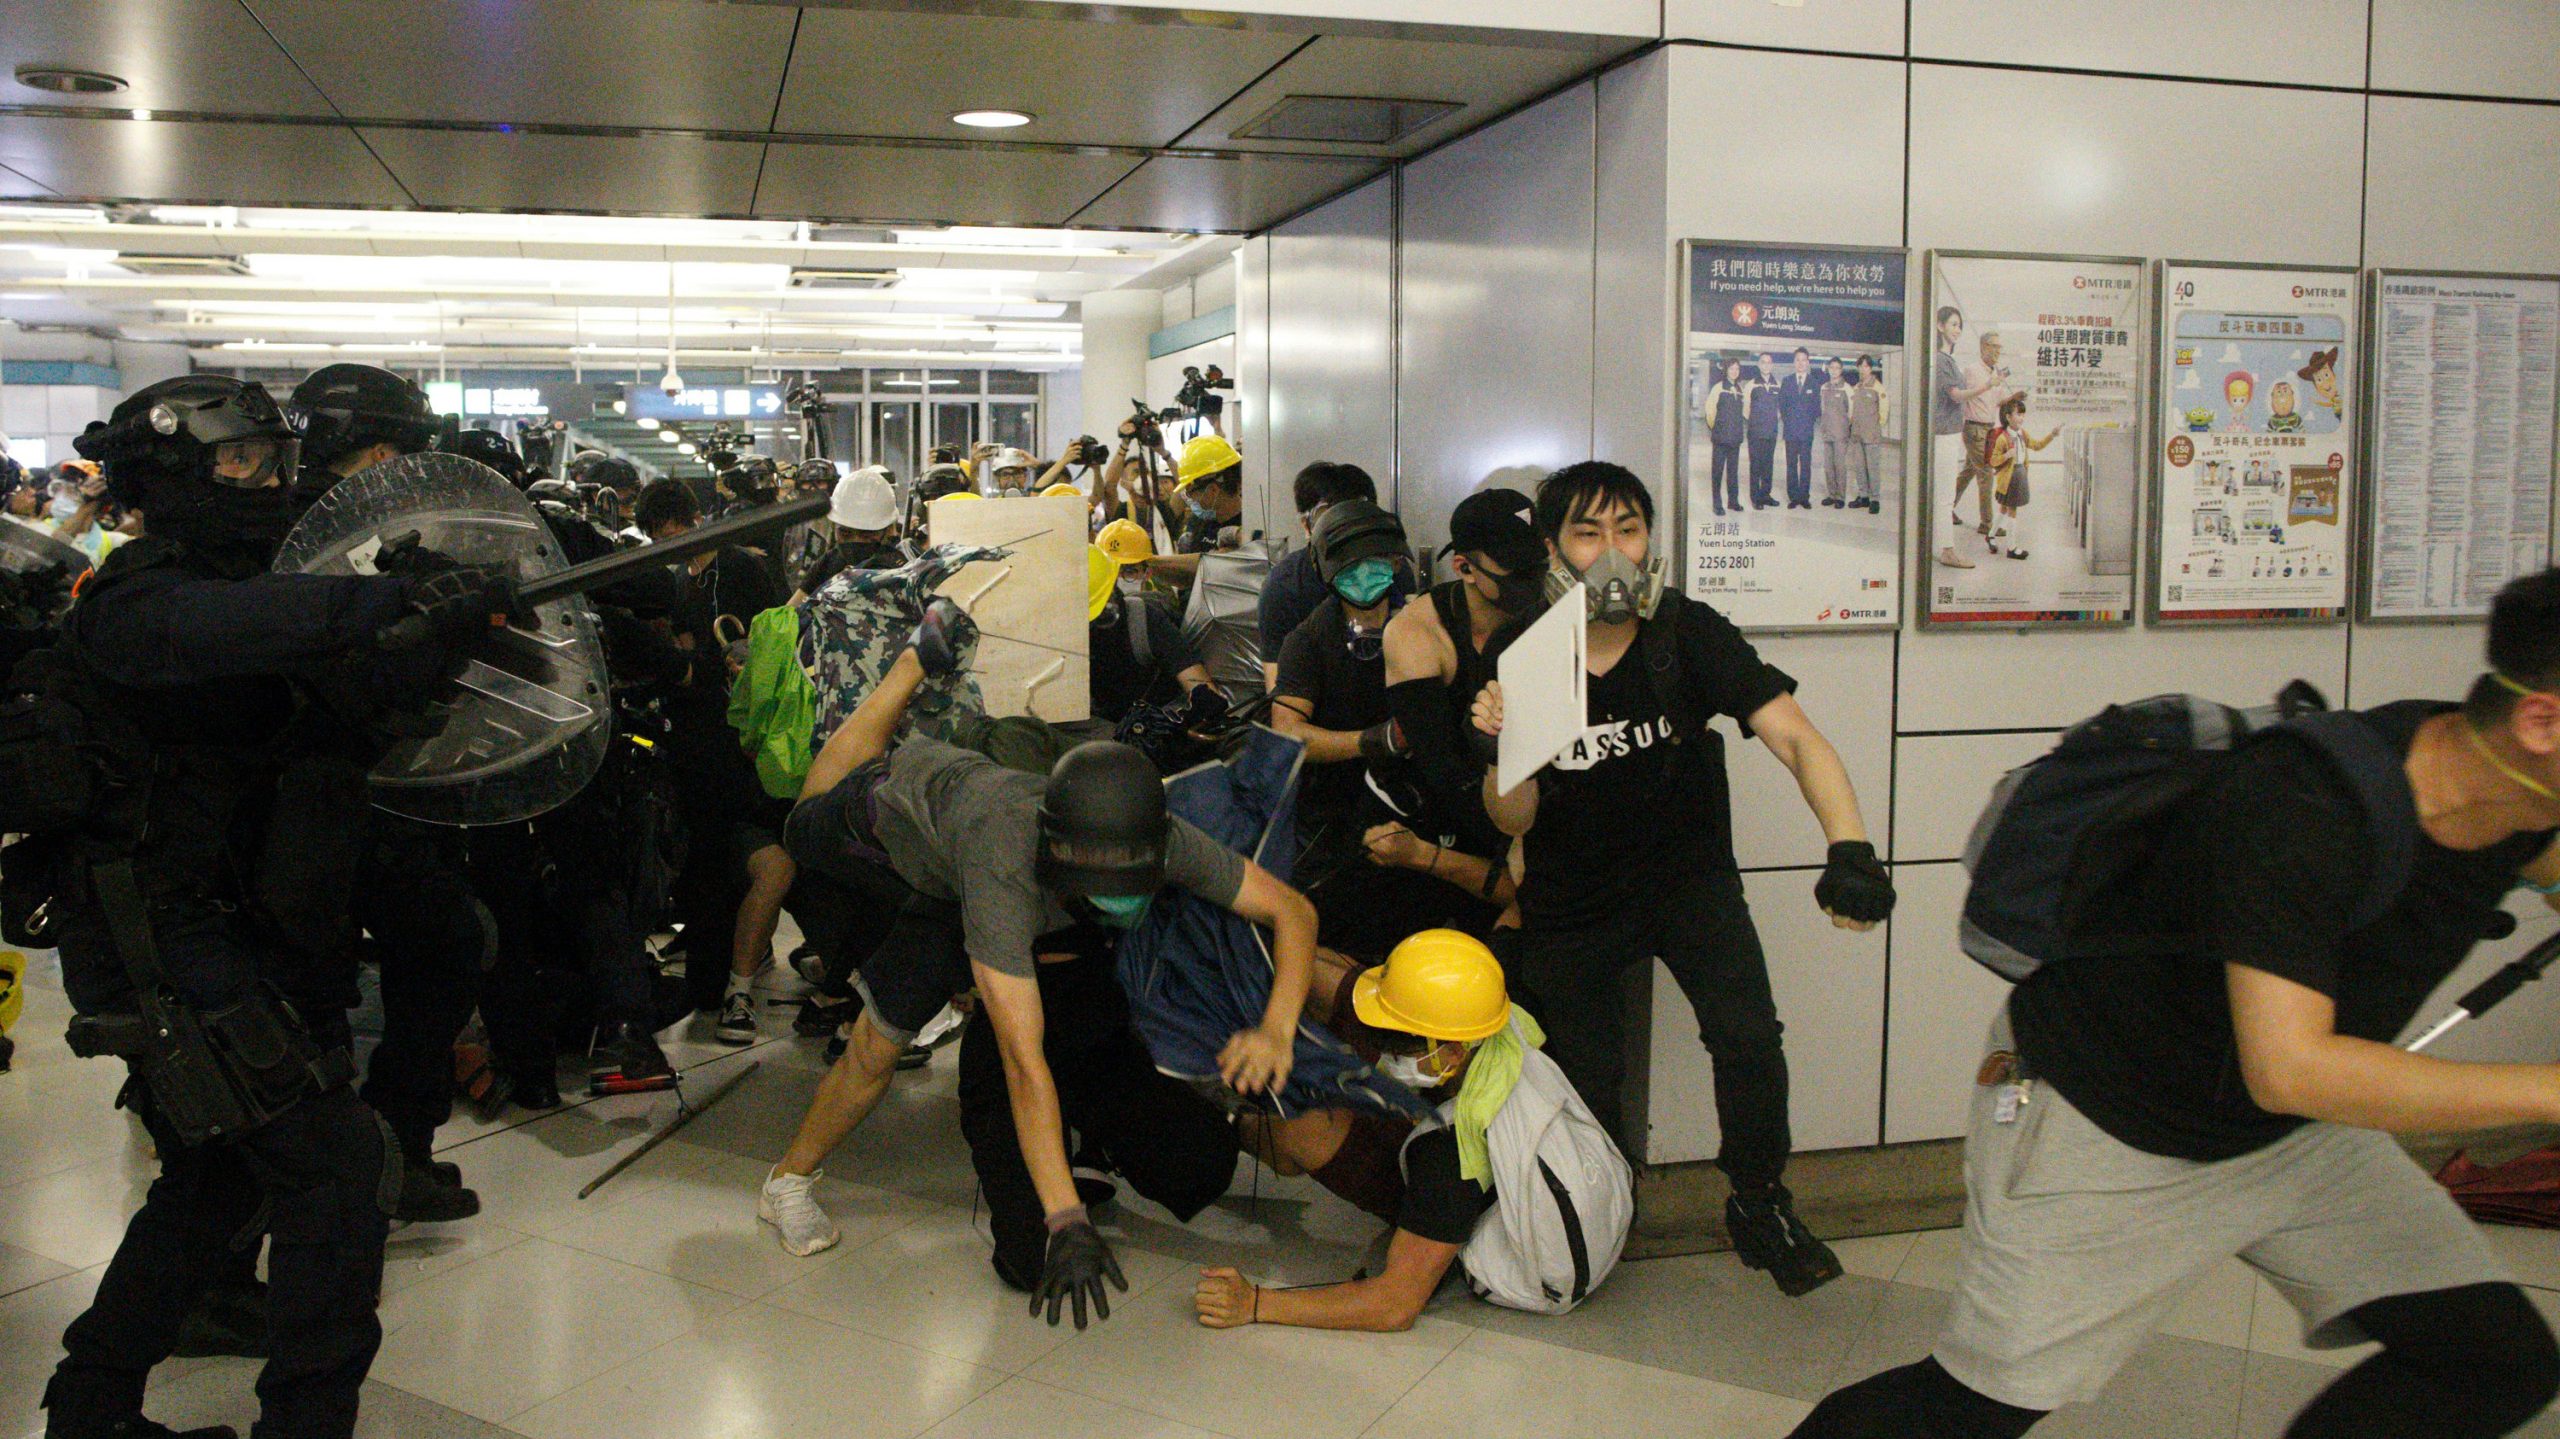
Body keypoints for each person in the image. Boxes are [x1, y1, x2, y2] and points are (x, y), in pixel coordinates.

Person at [1791, 571, 2560, 1439]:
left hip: (2284, 1134)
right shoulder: (2308, 807)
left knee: (2493, 1361)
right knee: (1968, 1407)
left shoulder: (2520, 797)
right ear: (2541, 722)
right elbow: (2291, 1067)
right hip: (2113, 1114)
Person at [35, 375, 515, 1439]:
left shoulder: (266, 589)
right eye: (242, 461)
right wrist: (383, 602)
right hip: (158, 937)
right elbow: (239, 627)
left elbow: (338, 721)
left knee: (215, 1184)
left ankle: (90, 1403)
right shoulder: (137, 600)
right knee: (339, 1169)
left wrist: (429, 635)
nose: (270, 480)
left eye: (274, 459)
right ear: (172, 477)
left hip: (243, 929)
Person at [760, 610, 1318, 1329]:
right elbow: (1024, 1067)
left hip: (1001, 841)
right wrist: (1065, 1220)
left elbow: (1292, 912)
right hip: (908, 831)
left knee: (1095, 1044)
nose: (1121, 896)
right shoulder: (1005, 874)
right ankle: (786, 1182)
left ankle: (1097, 1144)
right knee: (869, 1001)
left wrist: (1277, 1030)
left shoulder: (1161, 836)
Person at [1471, 461, 1895, 1296]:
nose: (1613, 553)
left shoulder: (1686, 634)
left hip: (1687, 879)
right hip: (1573, 898)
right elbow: (1511, 818)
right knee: (1590, 1078)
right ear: (1553, 548)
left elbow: (1797, 737)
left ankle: (1759, 1199)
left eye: (1628, 530)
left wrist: (1850, 845)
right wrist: (1506, 743)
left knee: (1747, 1038)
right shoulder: (1527, 652)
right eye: (1589, 533)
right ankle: (1593, 1215)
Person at [1197, 930, 1629, 1332]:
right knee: (1338, 979)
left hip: (1476, 1217)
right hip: (1471, 1121)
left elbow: (1394, 1305)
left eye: (1395, 1042)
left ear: (1451, 1054)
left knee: (1304, 1127)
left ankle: (1229, 1120)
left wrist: (1254, 1303)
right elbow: (1345, 986)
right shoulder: (1483, 1011)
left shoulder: (1450, 1162)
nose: (1381, 1047)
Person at [286, 362, 488, 1222]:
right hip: (307, 800)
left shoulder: (363, 531)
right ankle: (347, 1167)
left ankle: (388, 1147)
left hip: (370, 789)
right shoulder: (303, 539)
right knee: (323, 988)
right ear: (375, 451)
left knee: (441, 939)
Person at [1380, 487, 1547, 871]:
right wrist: (1514, 844)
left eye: (1537, 565)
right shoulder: (1417, 635)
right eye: (1515, 571)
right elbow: (1443, 771)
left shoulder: (1548, 615)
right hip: (1440, 821)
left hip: (1524, 800)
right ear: (1464, 568)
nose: (1532, 580)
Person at [1259, 462, 1412, 689]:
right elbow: (1280, 691)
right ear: (1307, 525)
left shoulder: (1390, 566)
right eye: (1330, 518)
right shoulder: (1284, 585)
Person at [1087, 544, 1216, 726]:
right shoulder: (1056, 636)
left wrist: (1211, 715)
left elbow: (1197, 682)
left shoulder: (1142, 619)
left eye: (1130, 570)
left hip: (1145, 732)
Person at [1947, 332, 2015, 554]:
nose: (1998, 351)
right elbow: (1963, 396)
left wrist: (2013, 398)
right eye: (1994, 347)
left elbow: (1996, 400)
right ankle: (1987, 525)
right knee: (1985, 472)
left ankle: (1948, 508)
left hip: (1987, 429)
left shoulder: (1994, 373)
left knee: (1969, 470)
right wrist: (1989, 384)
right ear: (1983, 347)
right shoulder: (1971, 371)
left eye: (1999, 347)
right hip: (1973, 428)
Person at [796, 464, 905, 600]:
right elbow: (791, 610)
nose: (856, 541)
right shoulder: (828, 562)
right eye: (846, 533)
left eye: (866, 535)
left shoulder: (902, 569)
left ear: (887, 530)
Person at [1983, 395, 2058, 562]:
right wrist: (2006, 455)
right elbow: (1993, 461)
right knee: (2012, 510)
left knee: (2003, 508)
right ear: (2008, 417)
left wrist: (2051, 435)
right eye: (2018, 414)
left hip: (2020, 474)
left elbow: (2037, 446)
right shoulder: (2003, 438)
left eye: (2023, 414)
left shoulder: (2023, 434)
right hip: (2009, 478)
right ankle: (2011, 548)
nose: (2021, 418)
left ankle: (1990, 535)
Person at [1704, 360, 1748, 517]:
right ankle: (1717, 504)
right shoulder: (1718, 388)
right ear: (1726, 370)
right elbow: (1709, 411)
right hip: (1720, 438)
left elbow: (1743, 413)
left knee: (1733, 472)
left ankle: (1733, 501)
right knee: (1717, 472)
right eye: (1732, 368)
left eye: (1737, 369)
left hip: (1735, 438)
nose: (1734, 371)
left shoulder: (1740, 389)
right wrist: (1717, 428)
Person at [1778, 347, 1821, 509]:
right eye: (1798, 360)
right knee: (1791, 465)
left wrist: (1805, 421)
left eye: (1804, 360)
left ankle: (1804, 497)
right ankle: (1793, 497)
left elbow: (1817, 409)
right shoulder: (1787, 381)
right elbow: (1782, 405)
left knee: (1805, 465)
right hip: (1790, 432)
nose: (1801, 363)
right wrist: (1790, 421)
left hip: (1806, 432)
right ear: (1794, 362)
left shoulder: (1814, 383)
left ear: (1808, 362)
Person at [1848, 354, 1888, 515]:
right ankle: (1863, 496)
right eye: (1860, 366)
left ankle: (1875, 499)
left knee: (1873, 468)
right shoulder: (1856, 387)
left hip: (1871, 435)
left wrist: (1875, 429)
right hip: (1857, 435)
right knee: (1859, 467)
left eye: (1866, 366)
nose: (1863, 369)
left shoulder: (1878, 388)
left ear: (1870, 368)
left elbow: (1884, 413)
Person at [1816, 357, 1855, 509]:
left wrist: (1845, 428)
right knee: (1828, 466)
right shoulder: (1824, 387)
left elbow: (1851, 412)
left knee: (1839, 465)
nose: (1834, 370)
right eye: (1831, 367)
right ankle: (1831, 494)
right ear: (1828, 369)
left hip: (1840, 433)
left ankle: (1840, 496)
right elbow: (1822, 409)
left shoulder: (1847, 388)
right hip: (1827, 432)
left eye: (1837, 367)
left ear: (1841, 369)